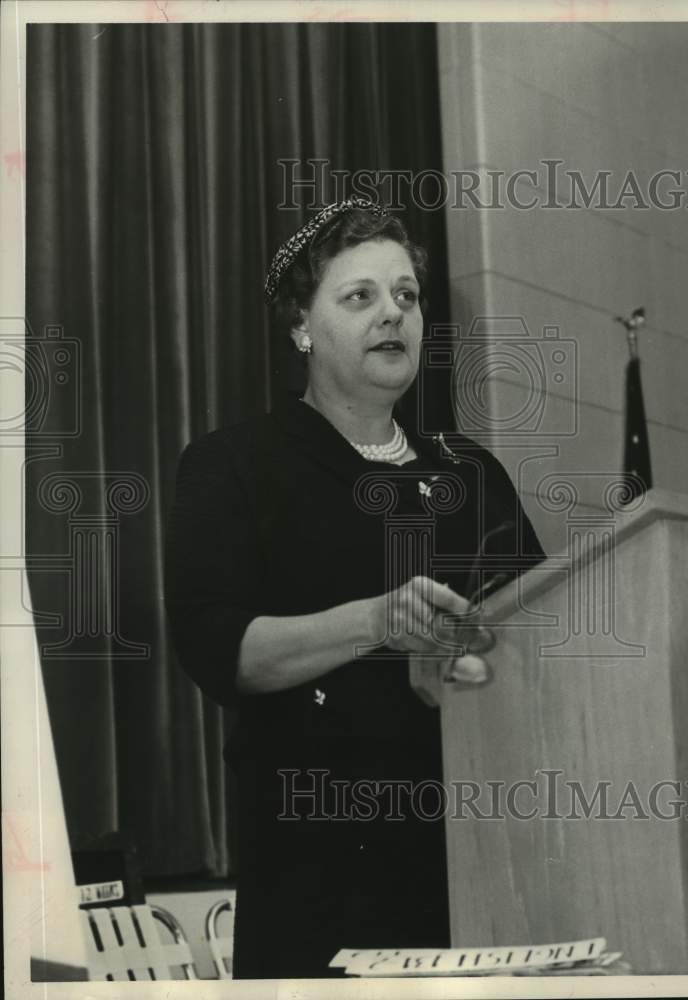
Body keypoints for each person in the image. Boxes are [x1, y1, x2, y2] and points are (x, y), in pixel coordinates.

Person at [164, 198, 546, 980]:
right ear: (302, 327)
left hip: (479, 856)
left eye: (405, 295)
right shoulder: (234, 465)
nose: (392, 314)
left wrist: (476, 663)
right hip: (319, 873)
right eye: (359, 296)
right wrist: (377, 621)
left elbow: (538, 629)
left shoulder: (469, 472)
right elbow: (218, 649)